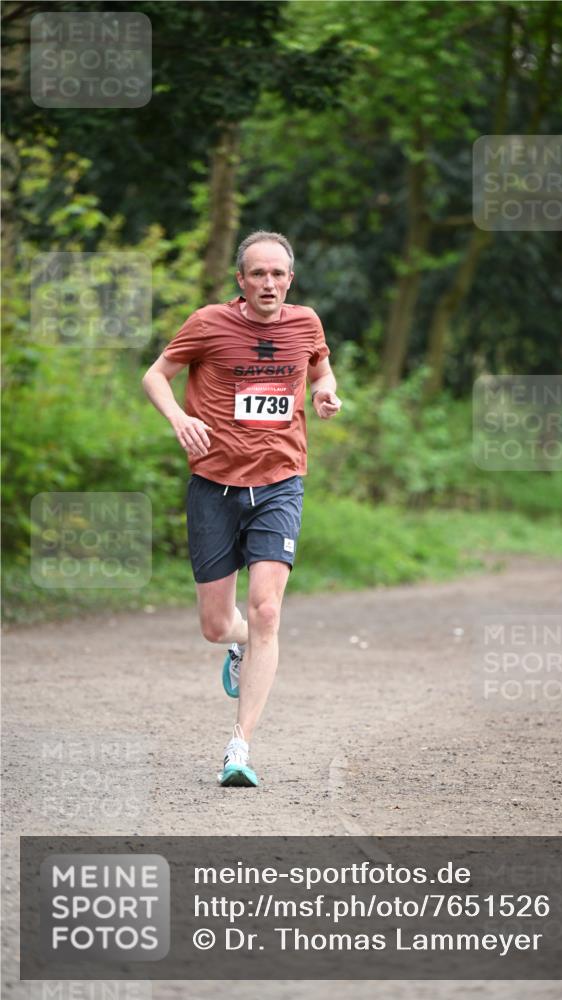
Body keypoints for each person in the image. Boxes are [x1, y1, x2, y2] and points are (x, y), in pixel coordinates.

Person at [142, 231, 341, 786]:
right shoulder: (208, 323)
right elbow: (155, 375)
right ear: (241, 280)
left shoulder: (307, 323)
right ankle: (240, 648)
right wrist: (179, 419)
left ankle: (239, 748)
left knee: (267, 612)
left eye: (278, 274)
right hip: (213, 485)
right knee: (215, 624)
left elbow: (321, 368)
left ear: (290, 280)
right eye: (258, 274)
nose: (269, 283)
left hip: (280, 482)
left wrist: (326, 392)